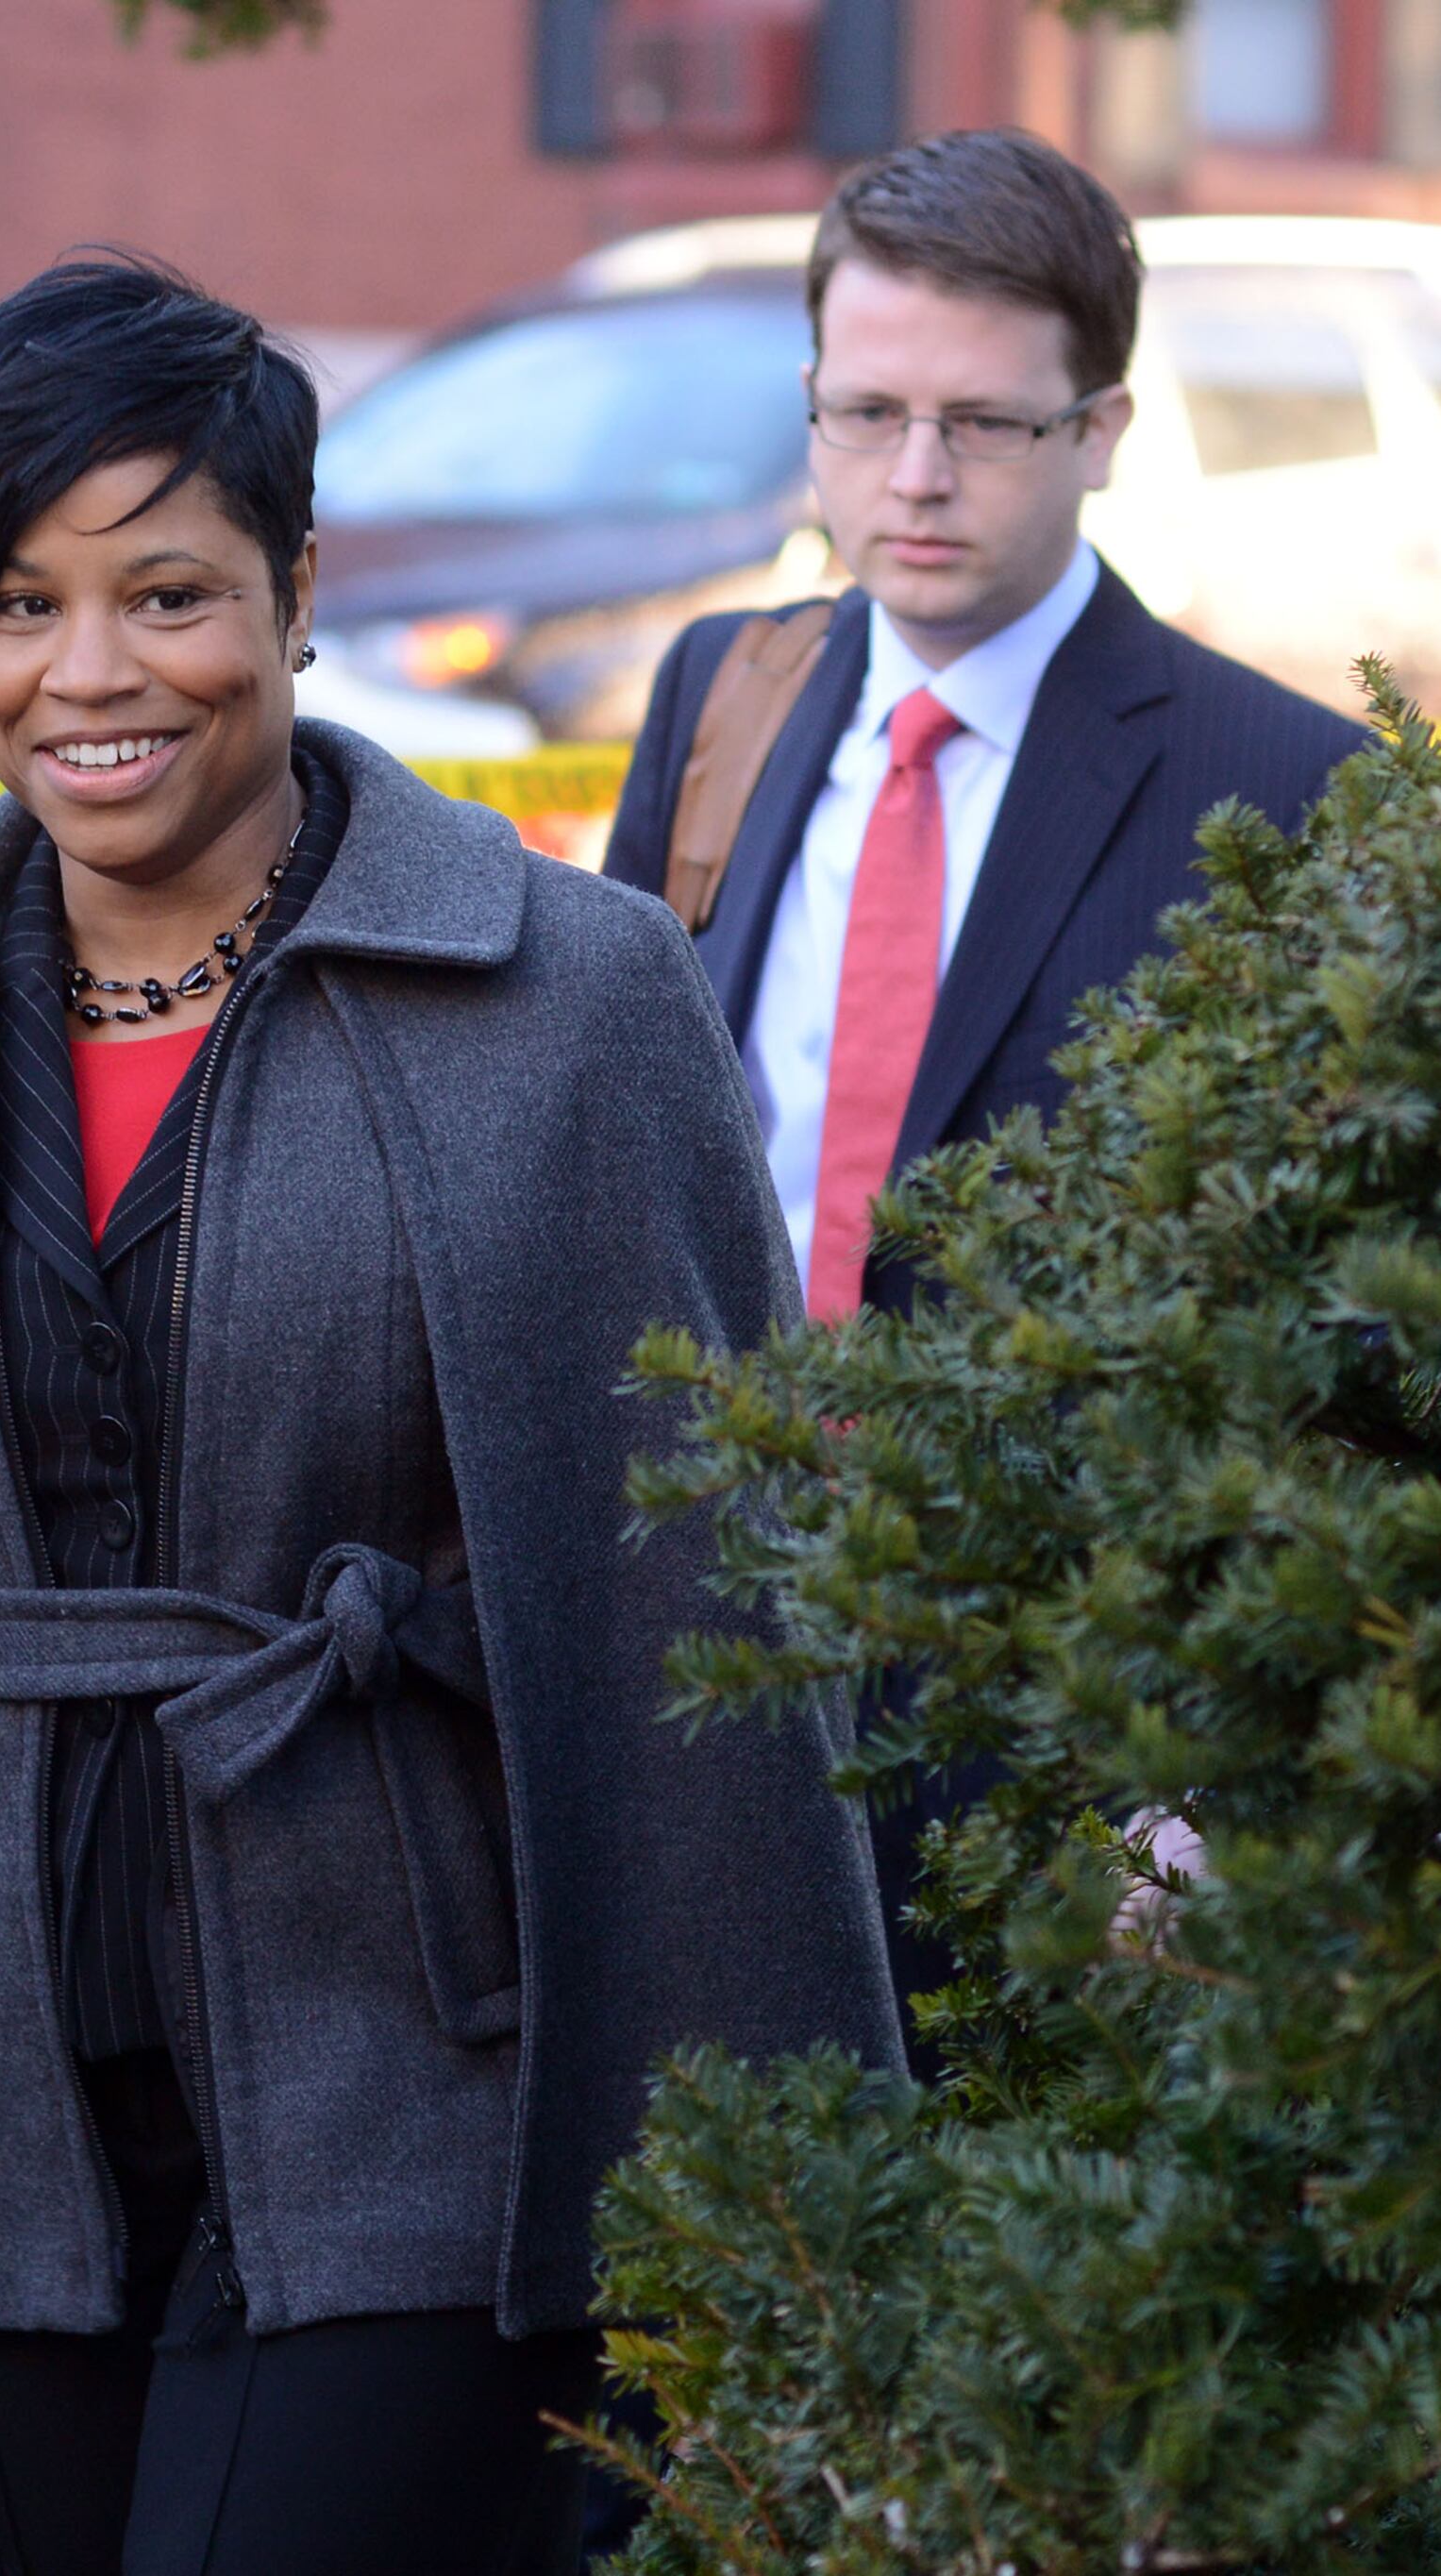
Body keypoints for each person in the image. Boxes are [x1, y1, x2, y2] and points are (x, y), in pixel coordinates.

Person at [0, 255, 902, 2576]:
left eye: (169, 591)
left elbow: (707, 1642)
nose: (89, 676)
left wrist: (799, 2228)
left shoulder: (573, 1002)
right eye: (18, 605)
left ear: (299, 595)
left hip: (431, 2102)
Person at [597, 127, 1366, 2021]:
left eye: (985, 424)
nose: (917, 478)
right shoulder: (724, 694)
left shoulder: (1280, 791)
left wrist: (1206, 1769)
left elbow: (1323, 1319)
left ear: (1101, 428)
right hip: (719, 1615)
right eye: (867, 414)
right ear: (810, 406)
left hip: (1061, 1676)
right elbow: (614, 1142)